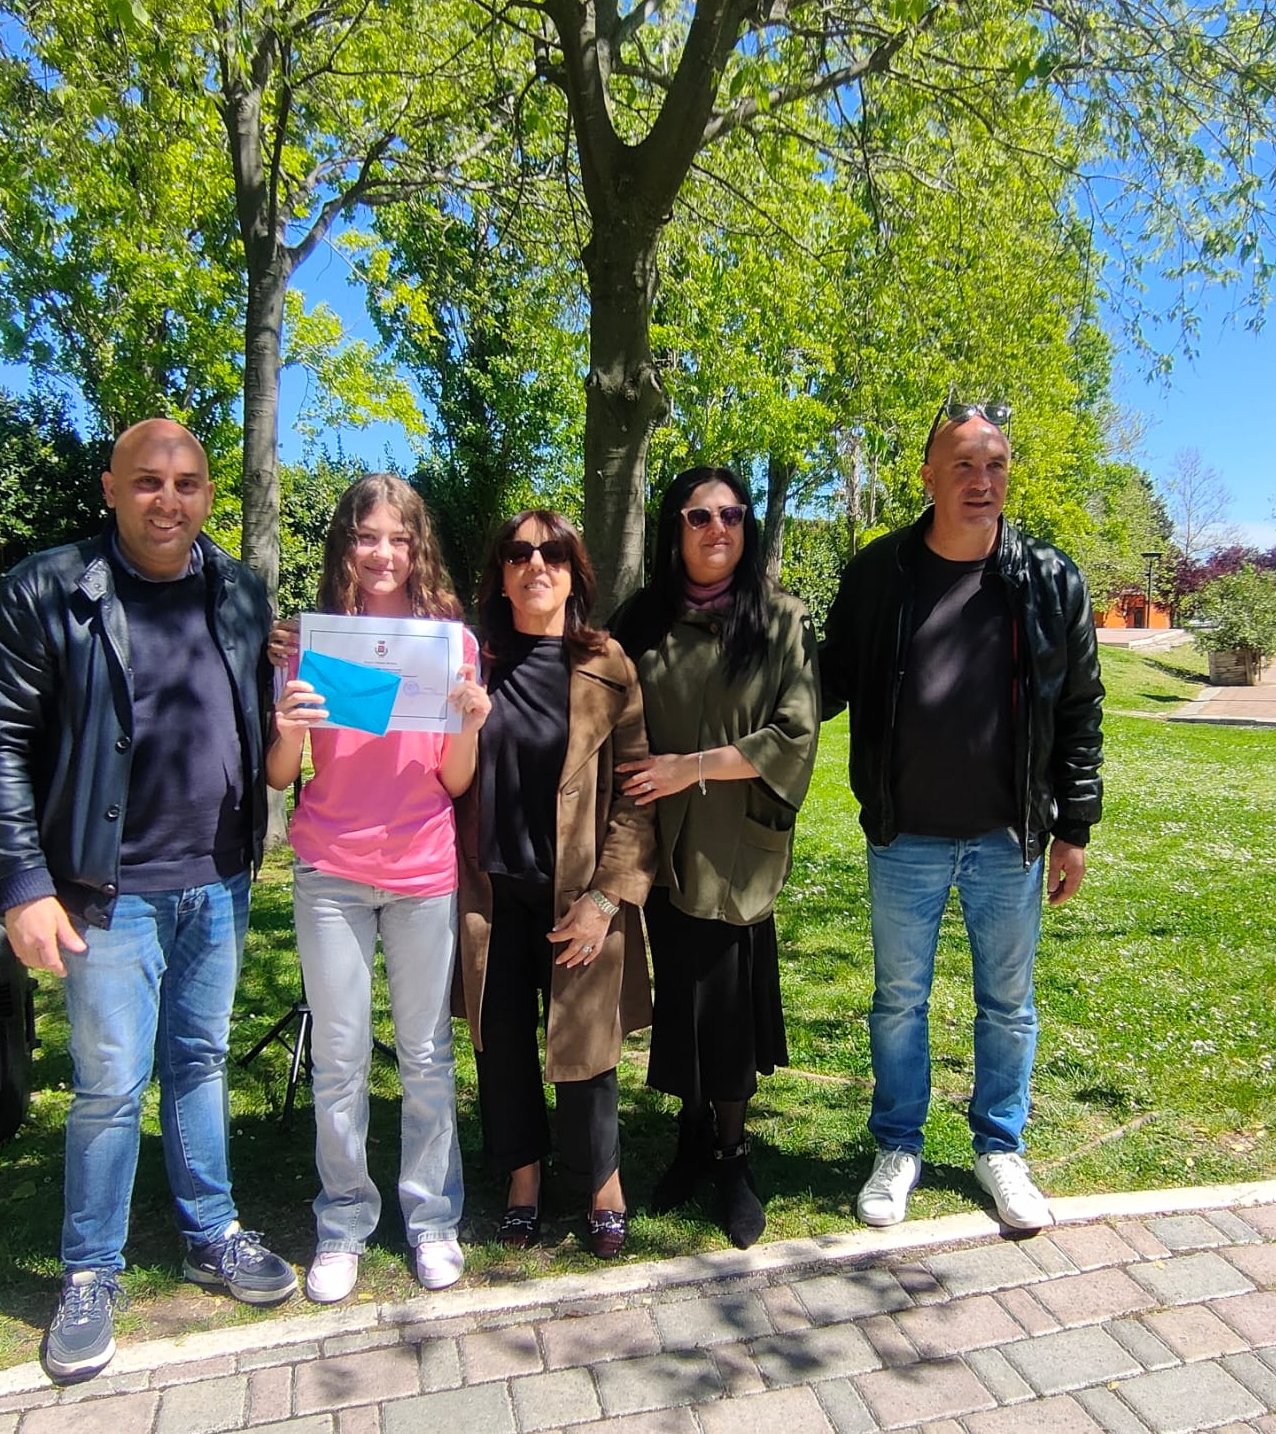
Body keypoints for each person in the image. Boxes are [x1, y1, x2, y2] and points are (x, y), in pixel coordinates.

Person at [0, 418, 298, 1386]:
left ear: (208, 494)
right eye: (147, 481)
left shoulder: (237, 590)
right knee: (110, 1084)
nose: (168, 499)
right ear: (110, 488)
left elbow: (256, 713)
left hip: (218, 879)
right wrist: (24, 886)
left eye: (187, 483)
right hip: (105, 892)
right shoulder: (47, 590)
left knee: (198, 1061)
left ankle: (211, 1232)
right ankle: (89, 1272)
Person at [818, 397, 1104, 1233]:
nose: (983, 481)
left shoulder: (1050, 578)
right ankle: (897, 1146)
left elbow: (1081, 708)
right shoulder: (880, 573)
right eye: (965, 466)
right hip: (904, 835)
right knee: (898, 1003)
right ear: (929, 477)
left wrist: (1075, 829)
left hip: (1008, 839)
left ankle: (999, 1148)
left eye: (996, 464)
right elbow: (828, 680)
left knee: (1008, 1006)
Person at [265, 474, 489, 1304]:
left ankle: (432, 1220)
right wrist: (284, 727)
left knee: (427, 1055)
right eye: (367, 537)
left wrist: (469, 723)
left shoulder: (452, 645)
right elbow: (281, 774)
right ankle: (343, 1223)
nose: (383, 553)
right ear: (345, 545)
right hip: (330, 871)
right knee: (339, 1056)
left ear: (418, 545)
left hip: (423, 870)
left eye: (398, 537)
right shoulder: (309, 641)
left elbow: (455, 782)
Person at [611, 467, 819, 1248]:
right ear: (675, 528)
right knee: (681, 998)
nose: (717, 529)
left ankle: (734, 1157)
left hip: (736, 847)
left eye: (731, 514)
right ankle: (692, 1135)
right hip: (661, 845)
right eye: (699, 516)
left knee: (728, 1007)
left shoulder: (781, 621)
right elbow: (590, 687)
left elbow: (793, 735)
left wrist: (688, 768)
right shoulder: (644, 620)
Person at [454, 510, 656, 1259]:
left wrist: (607, 898)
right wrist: (300, 646)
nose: (536, 565)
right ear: (500, 577)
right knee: (501, 1043)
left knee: (586, 1044)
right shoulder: (470, 662)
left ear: (575, 575)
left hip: (579, 897)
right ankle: (523, 1181)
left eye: (554, 554)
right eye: (518, 553)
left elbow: (638, 795)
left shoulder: (608, 664)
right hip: (491, 893)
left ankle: (603, 1182)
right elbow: (382, 676)